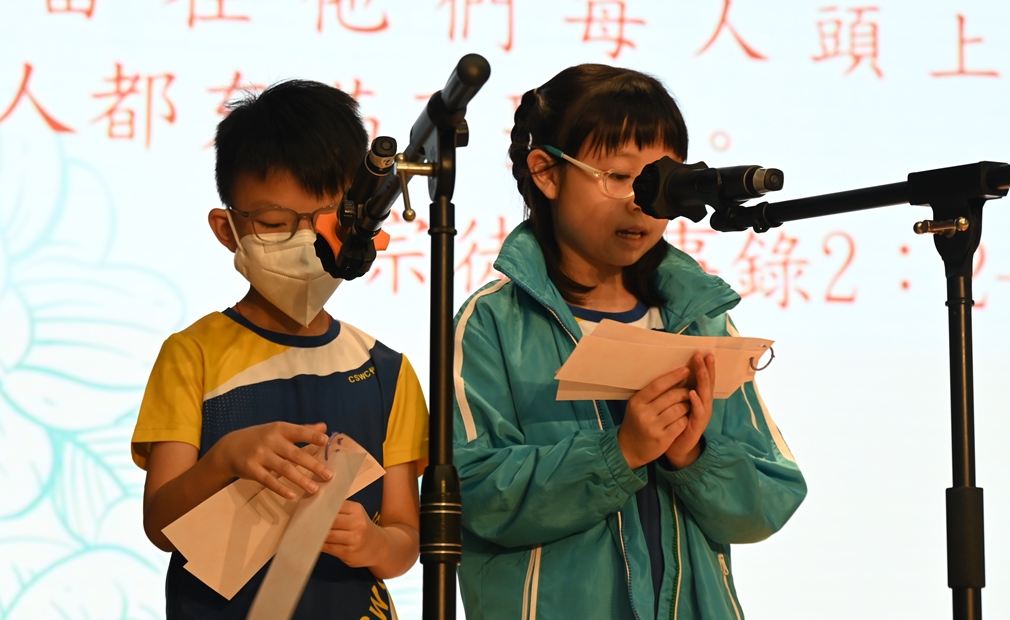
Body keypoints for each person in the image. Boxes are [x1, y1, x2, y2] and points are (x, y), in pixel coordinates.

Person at [452, 64, 806, 619]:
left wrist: (692, 456)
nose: (642, 202)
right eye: (619, 177)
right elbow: (472, 494)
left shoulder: (699, 321)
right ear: (546, 172)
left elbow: (772, 495)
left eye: (660, 181)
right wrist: (619, 454)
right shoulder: (494, 322)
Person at [131, 80, 429, 619]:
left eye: (326, 221)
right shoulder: (193, 355)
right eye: (273, 224)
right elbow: (161, 525)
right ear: (227, 229)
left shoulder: (385, 371)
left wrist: (373, 543)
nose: (303, 243)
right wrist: (224, 459)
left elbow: (405, 537)